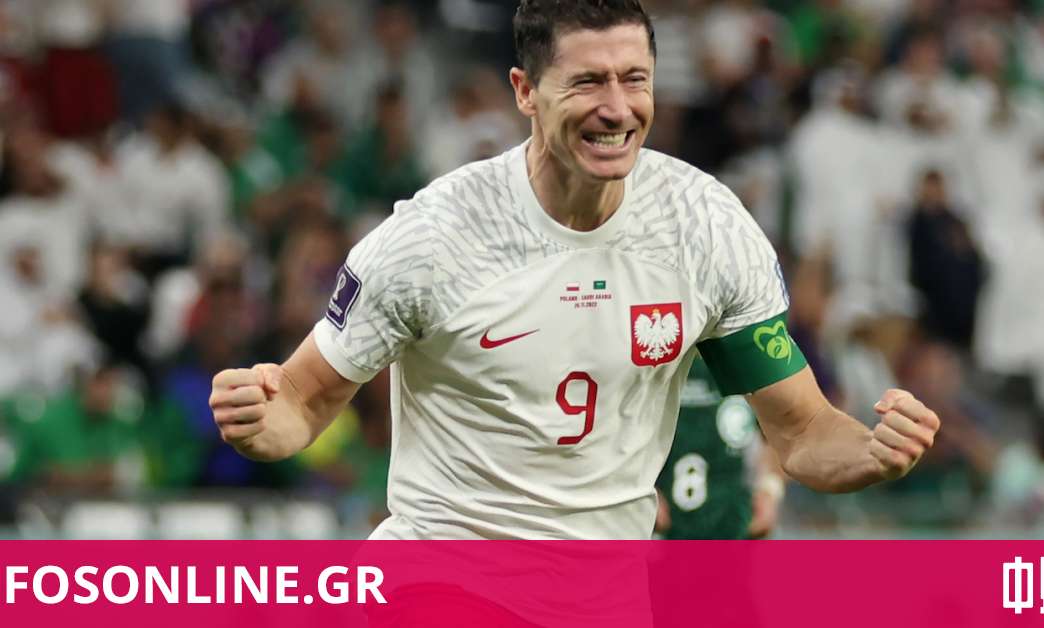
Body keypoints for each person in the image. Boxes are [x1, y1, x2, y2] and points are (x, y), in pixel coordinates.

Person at [210, 0, 940, 620]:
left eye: (634, 79)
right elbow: (302, 400)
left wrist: (870, 452)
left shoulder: (705, 227)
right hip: (442, 582)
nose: (617, 108)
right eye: (588, 81)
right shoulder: (433, 239)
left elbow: (802, 429)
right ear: (526, 91)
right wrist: (259, 416)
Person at [655, 357, 785, 540]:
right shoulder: (650, 357)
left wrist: (770, 490)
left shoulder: (748, 360)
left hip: (736, 527)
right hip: (660, 530)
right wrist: (640, 489)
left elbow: (781, 436)